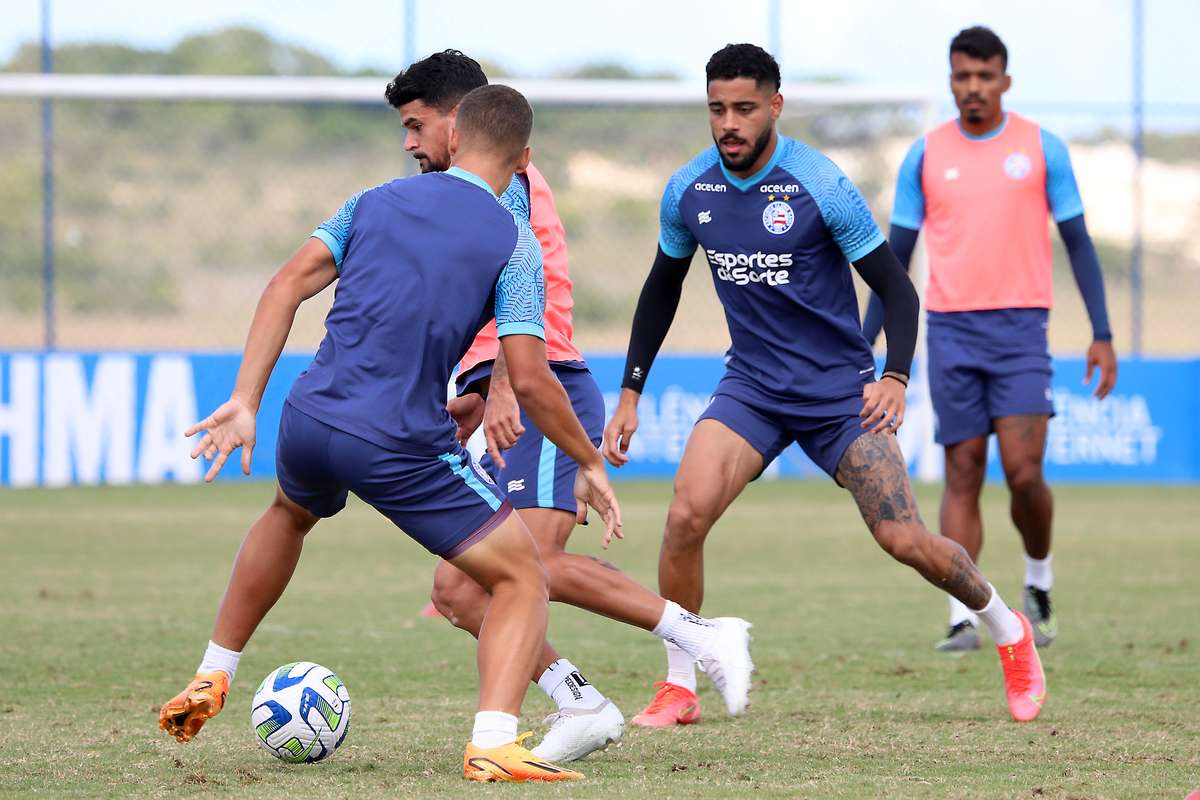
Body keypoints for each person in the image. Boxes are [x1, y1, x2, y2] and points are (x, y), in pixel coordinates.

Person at [158, 84, 620, 783]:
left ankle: (213, 673)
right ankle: (494, 740)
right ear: (525, 158)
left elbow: (286, 284)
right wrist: (587, 458)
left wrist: (246, 400)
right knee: (521, 574)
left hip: (310, 415)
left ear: (455, 137)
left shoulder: (370, 200)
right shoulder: (515, 242)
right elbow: (529, 378)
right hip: (398, 438)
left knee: (289, 513)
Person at [603, 43, 1047, 726]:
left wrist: (894, 375)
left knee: (905, 541)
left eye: (745, 109)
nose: (730, 123)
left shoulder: (821, 185)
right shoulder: (689, 190)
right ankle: (681, 684)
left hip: (840, 394)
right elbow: (661, 289)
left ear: (774, 107)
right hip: (751, 388)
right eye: (718, 109)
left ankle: (1007, 628)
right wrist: (632, 389)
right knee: (685, 519)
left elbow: (898, 292)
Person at [384, 50, 754, 761]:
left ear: (459, 124)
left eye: (416, 125)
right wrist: (468, 392)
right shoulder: (470, 188)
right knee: (460, 592)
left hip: (538, 390)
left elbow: (523, 299)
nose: (410, 145)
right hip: (500, 392)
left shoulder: (508, 181)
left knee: (532, 563)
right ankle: (578, 699)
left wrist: (497, 390)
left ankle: (703, 636)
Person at [862, 26, 1118, 652]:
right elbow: (894, 255)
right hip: (950, 331)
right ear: (951, 81)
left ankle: (1039, 581)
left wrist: (1102, 333)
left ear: (1005, 80)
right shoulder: (925, 155)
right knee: (963, 470)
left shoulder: (1041, 147)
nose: (972, 89)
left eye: (984, 77)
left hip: (1021, 330)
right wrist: (860, 339)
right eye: (961, 77)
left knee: (1025, 473)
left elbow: (1079, 242)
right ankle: (961, 615)